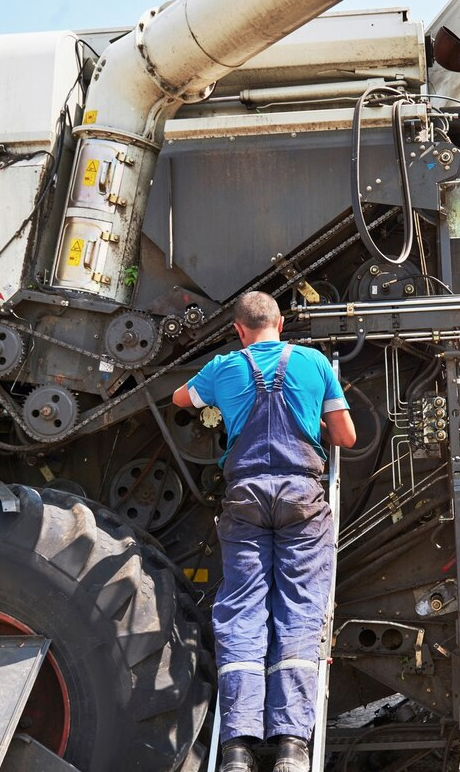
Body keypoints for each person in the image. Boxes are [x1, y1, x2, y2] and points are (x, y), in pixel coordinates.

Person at [174, 291, 356, 772]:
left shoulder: (225, 366)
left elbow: (180, 399)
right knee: (299, 609)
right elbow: (346, 437)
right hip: (301, 500)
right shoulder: (314, 363)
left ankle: (236, 746)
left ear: (238, 329)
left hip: (245, 498)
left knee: (242, 614)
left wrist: (219, 394)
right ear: (281, 322)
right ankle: (293, 745)